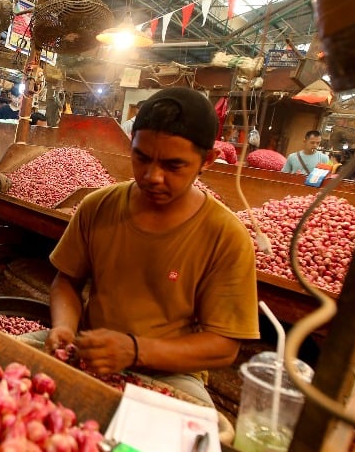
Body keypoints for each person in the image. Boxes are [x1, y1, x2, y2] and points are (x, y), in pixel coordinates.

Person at [46, 87, 260, 406]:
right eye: (141, 158)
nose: (152, 176)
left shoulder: (225, 235)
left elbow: (224, 345)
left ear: (208, 161)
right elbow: (66, 281)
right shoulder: (97, 206)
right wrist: (65, 327)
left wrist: (134, 350)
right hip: (89, 349)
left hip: (171, 373)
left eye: (174, 166)